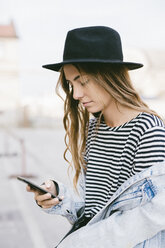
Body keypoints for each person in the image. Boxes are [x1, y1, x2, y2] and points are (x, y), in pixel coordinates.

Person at [27, 26, 165, 247]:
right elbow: (91, 211)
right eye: (71, 84)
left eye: (83, 81)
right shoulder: (95, 129)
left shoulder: (147, 129)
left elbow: (148, 220)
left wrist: (77, 243)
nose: (76, 94)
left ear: (110, 76)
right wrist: (57, 196)